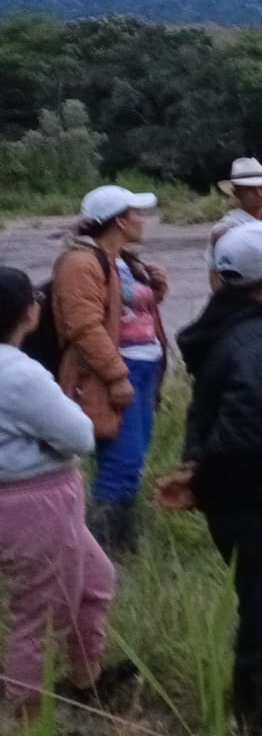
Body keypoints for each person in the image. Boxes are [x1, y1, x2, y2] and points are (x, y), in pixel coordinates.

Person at [158, 223, 262, 736]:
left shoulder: (235, 324)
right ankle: (258, 717)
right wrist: (202, 481)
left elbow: (208, 416)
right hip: (261, 499)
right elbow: (240, 429)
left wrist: (197, 469)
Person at [0, 267, 137, 721]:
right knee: (36, 614)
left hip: (30, 499)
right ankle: (26, 715)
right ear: (29, 313)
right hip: (36, 501)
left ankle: (86, 680)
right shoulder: (20, 374)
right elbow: (79, 435)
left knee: (95, 582)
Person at [53, 185, 168, 555]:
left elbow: (125, 310)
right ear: (119, 219)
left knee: (132, 459)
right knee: (121, 461)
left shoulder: (122, 259)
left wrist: (157, 288)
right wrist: (116, 376)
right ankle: (101, 553)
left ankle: (121, 546)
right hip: (115, 374)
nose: (142, 219)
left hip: (143, 369)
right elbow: (84, 325)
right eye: (136, 212)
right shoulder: (81, 263)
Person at [208, 158, 262, 293]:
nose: (260, 194)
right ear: (236, 193)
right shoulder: (226, 229)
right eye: (251, 190)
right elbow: (215, 274)